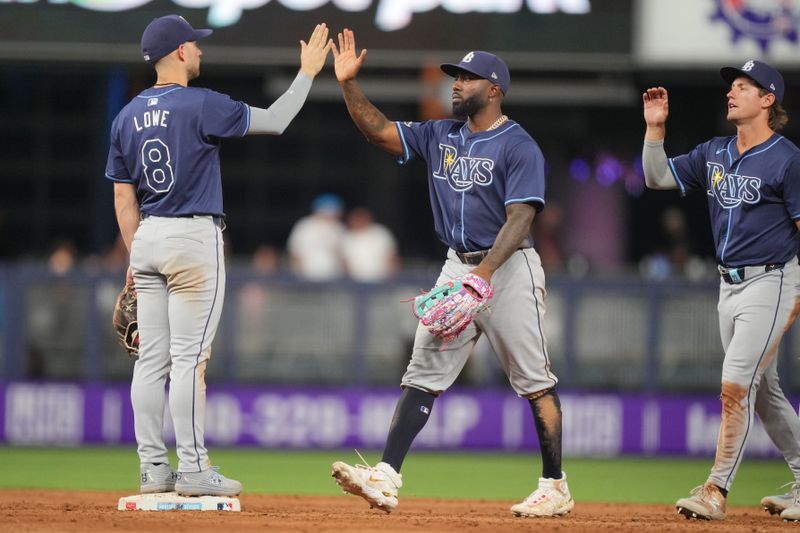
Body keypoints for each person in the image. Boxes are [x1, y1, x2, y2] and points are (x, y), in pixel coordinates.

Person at [329, 30, 573, 518]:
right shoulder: (440, 134)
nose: (456, 85)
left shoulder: (518, 144)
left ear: (495, 89)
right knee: (423, 371)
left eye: (467, 78)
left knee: (533, 380)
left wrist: (482, 275)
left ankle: (554, 485)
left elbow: (522, 217)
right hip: (456, 263)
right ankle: (387, 475)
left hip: (507, 268)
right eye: (455, 77)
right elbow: (378, 130)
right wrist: (349, 84)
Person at [104, 15, 331, 497]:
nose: (201, 51)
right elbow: (275, 120)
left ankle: (151, 470)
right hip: (192, 237)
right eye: (195, 45)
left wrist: (134, 252)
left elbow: (124, 200)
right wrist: (308, 71)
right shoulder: (200, 103)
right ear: (180, 52)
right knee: (188, 361)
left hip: (146, 238)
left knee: (150, 363)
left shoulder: (125, 116)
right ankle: (193, 469)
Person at [642, 60, 800, 521]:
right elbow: (657, 178)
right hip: (728, 285)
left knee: (735, 386)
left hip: (772, 280)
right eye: (731, 85)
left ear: (768, 100)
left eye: (744, 86)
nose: (732, 92)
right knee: (764, 393)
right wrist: (655, 130)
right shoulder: (714, 151)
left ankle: (716, 489)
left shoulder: (788, 160)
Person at [287, 193, 346, 280]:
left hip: (332, 276)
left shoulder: (339, 228)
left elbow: (342, 255)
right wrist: (298, 274)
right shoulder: (305, 225)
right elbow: (295, 251)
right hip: (307, 275)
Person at [341, 206, 399, 281]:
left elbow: (392, 256)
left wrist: (391, 276)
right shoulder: (347, 237)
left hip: (381, 278)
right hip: (356, 281)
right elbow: (344, 261)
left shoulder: (380, 232)